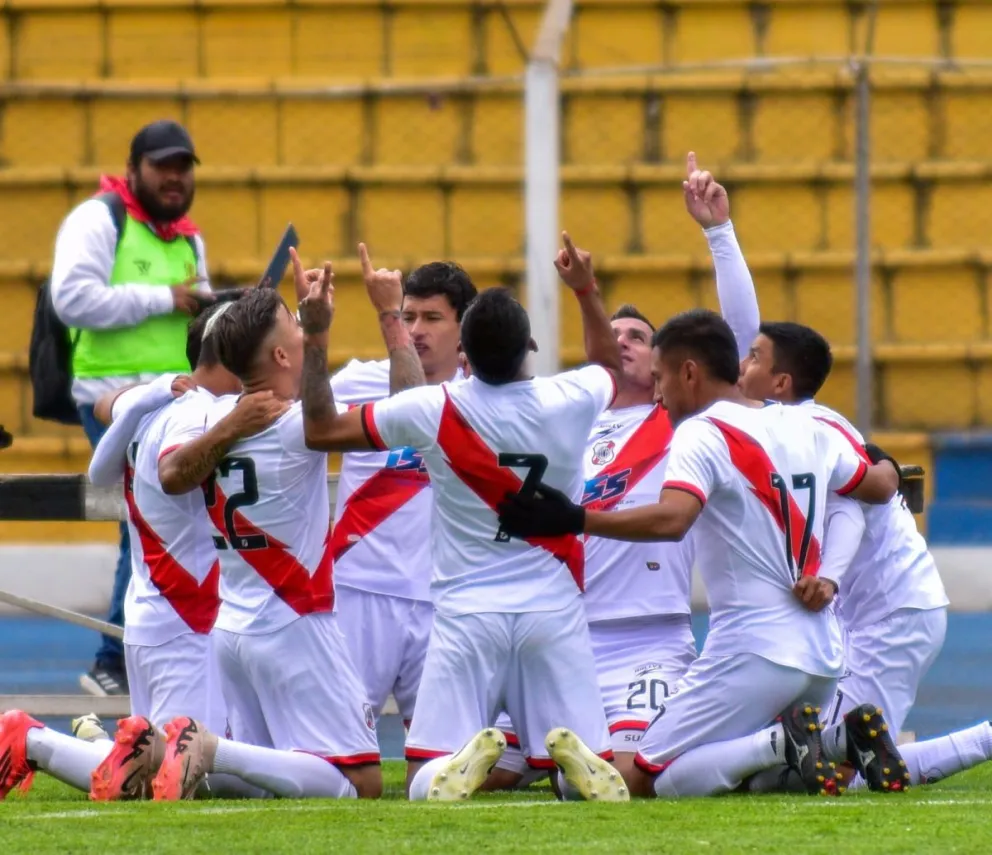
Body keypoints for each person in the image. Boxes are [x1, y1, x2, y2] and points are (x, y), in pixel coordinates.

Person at [496, 308, 904, 799]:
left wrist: (574, 519)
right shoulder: (806, 424)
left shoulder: (701, 431)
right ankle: (837, 741)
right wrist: (886, 461)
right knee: (748, 781)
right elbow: (877, 488)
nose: (658, 394)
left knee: (632, 777)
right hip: (821, 656)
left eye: (660, 378)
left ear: (689, 372)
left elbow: (673, 519)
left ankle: (780, 742)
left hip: (752, 651)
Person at [290, 247, 631, 804]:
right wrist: (586, 291)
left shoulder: (436, 407)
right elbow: (611, 367)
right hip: (553, 609)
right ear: (530, 347)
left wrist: (317, 333)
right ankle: (575, 770)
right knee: (586, 763)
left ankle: (457, 765)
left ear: (465, 348)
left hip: (466, 610)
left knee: (424, 773)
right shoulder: (569, 398)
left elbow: (321, 430)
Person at [490, 154, 762, 789]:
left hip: (649, 638)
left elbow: (740, 336)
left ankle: (567, 765)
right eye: (615, 336)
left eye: (639, 337)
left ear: (672, 365)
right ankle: (535, 756)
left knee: (627, 776)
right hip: (560, 631)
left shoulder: (681, 421)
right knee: (495, 773)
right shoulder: (573, 420)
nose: (624, 343)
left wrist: (719, 232)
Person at [148, 250, 418, 801]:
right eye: (292, 322)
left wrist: (231, 424)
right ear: (279, 353)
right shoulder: (298, 428)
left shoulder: (210, 416)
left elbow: (172, 475)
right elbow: (413, 412)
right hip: (295, 622)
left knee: (267, 783)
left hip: (234, 629)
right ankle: (207, 748)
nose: (300, 323)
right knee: (361, 782)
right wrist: (383, 317)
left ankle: (152, 752)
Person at [0, 307, 282, 803]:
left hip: (155, 609)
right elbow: (174, 471)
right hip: (185, 617)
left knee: (158, 763)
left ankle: (91, 741)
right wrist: (232, 424)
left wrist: (147, 392)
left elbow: (103, 420)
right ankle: (33, 741)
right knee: (192, 771)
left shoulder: (160, 400)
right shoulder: (200, 414)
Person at [739, 321, 992, 793]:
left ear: (781, 383)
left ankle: (986, 739)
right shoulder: (800, 428)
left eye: (753, 356)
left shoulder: (810, 431)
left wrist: (829, 579)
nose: (740, 366)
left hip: (890, 614)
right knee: (817, 758)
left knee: (835, 770)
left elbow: (850, 510)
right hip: (863, 617)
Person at [51, 119, 213, 697]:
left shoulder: (188, 238)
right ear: (132, 169)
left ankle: (165, 647)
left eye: (183, 167)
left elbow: (191, 318)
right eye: (162, 166)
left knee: (167, 518)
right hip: (112, 398)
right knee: (144, 518)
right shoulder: (99, 220)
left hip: (177, 399)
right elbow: (71, 300)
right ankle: (114, 659)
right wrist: (164, 298)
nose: (174, 177)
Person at [329, 250, 477, 727]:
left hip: (445, 596)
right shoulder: (358, 381)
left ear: (464, 328)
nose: (416, 330)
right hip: (358, 589)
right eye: (408, 316)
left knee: (442, 755)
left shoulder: (484, 396)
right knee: (341, 744)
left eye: (432, 318)